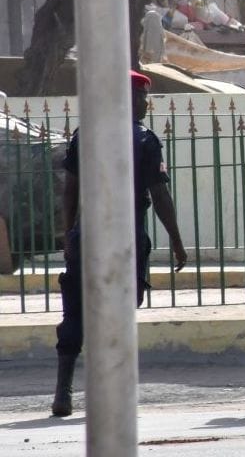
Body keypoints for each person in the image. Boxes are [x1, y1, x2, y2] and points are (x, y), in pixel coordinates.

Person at [52, 69, 188, 417]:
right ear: (128, 98)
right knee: (119, 314)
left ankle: (63, 393)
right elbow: (160, 196)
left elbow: (70, 191)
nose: (146, 103)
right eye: (142, 96)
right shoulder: (144, 140)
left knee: (75, 312)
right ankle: (112, 396)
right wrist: (175, 240)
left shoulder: (85, 135)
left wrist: (69, 234)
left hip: (87, 237)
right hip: (127, 238)